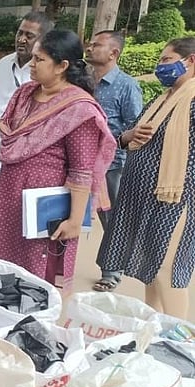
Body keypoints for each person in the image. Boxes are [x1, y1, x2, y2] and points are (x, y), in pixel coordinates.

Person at [0, 30, 116, 292]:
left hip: (44, 211)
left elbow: (81, 171)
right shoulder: (24, 95)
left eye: (39, 60)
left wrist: (75, 221)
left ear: (62, 66)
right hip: (9, 199)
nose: (31, 65)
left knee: (33, 279)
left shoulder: (78, 110)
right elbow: (10, 137)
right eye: (32, 58)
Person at [102, 37, 195, 318]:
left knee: (167, 269)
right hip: (146, 198)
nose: (160, 66)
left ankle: (181, 340)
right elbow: (129, 133)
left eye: (166, 60)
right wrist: (128, 136)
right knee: (150, 267)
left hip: (176, 200)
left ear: (190, 61)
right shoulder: (161, 100)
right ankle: (153, 331)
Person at [0, 11, 51, 245]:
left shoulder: (46, 74)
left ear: (44, 40)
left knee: (11, 234)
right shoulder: (4, 64)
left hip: (19, 169)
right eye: (20, 33)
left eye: (30, 35)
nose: (22, 39)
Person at [85, 30, 143, 293]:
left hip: (112, 165)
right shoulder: (83, 80)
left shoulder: (127, 85)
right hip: (81, 162)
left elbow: (135, 127)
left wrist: (116, 142)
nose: (90, 47)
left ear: (114, 53)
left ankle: (111, 272)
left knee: (112, 219)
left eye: (97, 44)